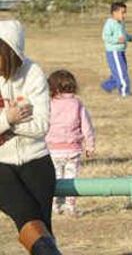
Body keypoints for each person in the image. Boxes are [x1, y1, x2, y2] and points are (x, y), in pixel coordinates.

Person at [0, 20, 62, 255]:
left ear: (10, 54)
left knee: (44, 231)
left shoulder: (33, 73)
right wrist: (10, 117)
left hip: (37, 159)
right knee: (26, 214)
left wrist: (9, 125)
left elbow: (41, 126)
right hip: (1, 164)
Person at [45, 70, 95, 217]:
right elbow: (87, 126)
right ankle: (70, 206)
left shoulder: (49, 104)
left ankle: (55, 205)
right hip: (73, 149)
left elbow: (42, 125)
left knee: (55, 178)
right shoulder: (77, 104)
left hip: (52, 149)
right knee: (71, 180)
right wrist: (90, 145)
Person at [100, 2, 132, 97]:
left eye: (125, 13)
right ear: (114, 13)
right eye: (122, 12)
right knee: (121, 73)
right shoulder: (109, 23)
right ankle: (125, 92)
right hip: (114, 52)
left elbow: (123, 35)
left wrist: (130, 38)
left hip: (121, 51)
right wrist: (117, 40)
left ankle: (107, 86)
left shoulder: (120, 23)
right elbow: (105, 37)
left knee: (119, 71)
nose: (124, 15)